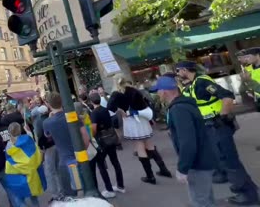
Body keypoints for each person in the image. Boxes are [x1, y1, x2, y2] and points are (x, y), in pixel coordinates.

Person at [177, 60, 259, 205]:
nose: (177, 75)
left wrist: (221, 117)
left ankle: (248, 194)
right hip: (209, 127)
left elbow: (227, 96)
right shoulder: (192, 85)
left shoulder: (202, 82)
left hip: (217, 126)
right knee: (223, 159)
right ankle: (247, 190)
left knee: (230, 162)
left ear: (184, 70)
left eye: (178, 71)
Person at [152, 76, 216, 207]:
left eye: (158, 91)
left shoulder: (178, 109)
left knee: (200, 201)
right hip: (203, 159)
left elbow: (187, 141)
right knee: (206, 199)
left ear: (164, 91)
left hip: (198, 163)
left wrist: (183, 168)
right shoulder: (184, 105)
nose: (158, 94)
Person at [110, 76, 172, 185]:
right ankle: (164, 170)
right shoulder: (134, 90)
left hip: (131, 121)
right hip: (142, 119)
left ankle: (150, 176)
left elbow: (110, 107)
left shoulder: (116, 94)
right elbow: (144, 104)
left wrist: (120, 110)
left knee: (140, 147)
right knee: (149, 144)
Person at [43, 92, 91, 197]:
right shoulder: (73, 116)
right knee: (88, 189)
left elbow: (47, 135)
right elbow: (85, 136)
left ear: (49, 105)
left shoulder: (47, 122)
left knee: (70, 194)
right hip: (80, 157)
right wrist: (83, 149)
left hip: (64, 161)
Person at [89, 92, 125, 198]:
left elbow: (94, 129)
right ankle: (120, 185)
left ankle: (109, 189)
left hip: (102, 140)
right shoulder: (105, 109)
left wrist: (91, 134)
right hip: (111, 137)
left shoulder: (94, 113)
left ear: (91, 102)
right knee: (115, 161)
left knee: (101, 165)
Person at [5, 122, 44, 207]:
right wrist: (27, 130)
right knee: (33, 196)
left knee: (19, 197)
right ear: (20, 130)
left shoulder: (9, 145)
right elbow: (33, 144)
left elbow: (9, 160)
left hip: (18, 173)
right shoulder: (28, 139)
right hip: (30, 173)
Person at [34, 105, 62, 201]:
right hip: (56, 143)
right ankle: (62, 190)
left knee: (50, 171)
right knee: (58, 168)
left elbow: (38, 134)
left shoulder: (39, 121)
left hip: (47, 146)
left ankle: (55, 194)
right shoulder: (52, 117)